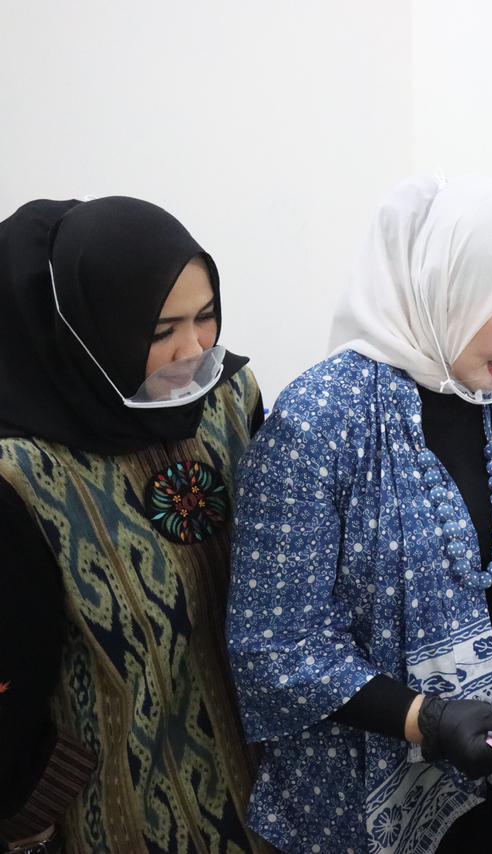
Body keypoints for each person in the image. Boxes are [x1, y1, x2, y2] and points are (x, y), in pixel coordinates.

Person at [225, 176, 492, 854]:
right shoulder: (322, 419)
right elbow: (277, 641)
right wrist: (423, 719)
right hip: (368, 782)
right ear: (447, 289)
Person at [0, 197, 266, 853]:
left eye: (206, 317)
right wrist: (30, 807)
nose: (194, 350)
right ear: (87, 331)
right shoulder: (25, 477)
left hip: (268, 794)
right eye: (160, 329)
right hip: (120, 812)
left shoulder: (230, 404)